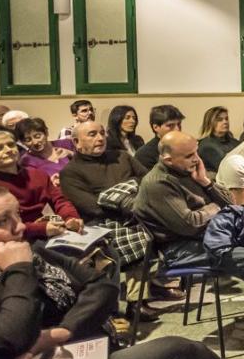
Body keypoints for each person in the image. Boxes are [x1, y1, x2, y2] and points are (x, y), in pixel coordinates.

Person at [0, 184, 226, 359]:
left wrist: (62, 331)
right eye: (2, 221)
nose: (19, 227)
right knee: (178, 353)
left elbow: (101, 285)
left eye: (17, 214)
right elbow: (7, 339)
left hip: (81, 356)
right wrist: (18, 271)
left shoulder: (33, 252)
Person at [133, 131, 244, 313]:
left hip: (215, 235)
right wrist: (216, 207)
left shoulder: (189, 172)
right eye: (189, 156)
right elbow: (191, 224)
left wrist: (206, 182)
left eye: (196, 152)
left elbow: (231, 202)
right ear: (168, 160)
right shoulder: (158, 184)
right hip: (181, 249)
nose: (196, 159)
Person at [59, 121, 167, 322]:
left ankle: (138, 302)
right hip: (99, 223)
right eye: (92, 134)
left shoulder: (122, 157)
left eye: (102, 133)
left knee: (156, 228)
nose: (100, 138)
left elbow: (148, 179)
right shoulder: (71, 172)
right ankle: (112, 307)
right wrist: (125, 201)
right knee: (134, 236)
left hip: (135, 212)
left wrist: (134, 201)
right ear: (76, 142)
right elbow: (91, 206)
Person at [0, 129, 83, 243]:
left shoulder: (36, 173)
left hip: (56, 230)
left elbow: (60, 200)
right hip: (21, 241)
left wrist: (71, 218)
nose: (8, 150)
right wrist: (40, 229)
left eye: (11, 145)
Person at [14, 117, 74, 183]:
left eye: (37, 136)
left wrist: (71, 153)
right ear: (22, 142)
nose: (35, 142)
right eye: (28, 140)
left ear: (46, 132)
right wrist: (50, 182)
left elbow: (86, 162)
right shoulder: (26, 161)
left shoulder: (66, 143)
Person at [134, 105, 183, 170]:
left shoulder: (185, 147)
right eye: (170, 125)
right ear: (156, 127)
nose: (177, 129)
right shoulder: (144, 154)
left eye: (179, 124)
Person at [197, 106, 238, 173]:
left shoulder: (234, 142)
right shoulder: (206, 145)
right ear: (210, 122)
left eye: (226, 119)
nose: (225, 122)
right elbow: (225, 168)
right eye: (220, 119)